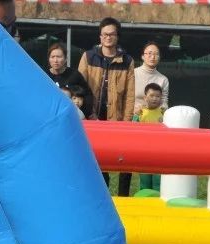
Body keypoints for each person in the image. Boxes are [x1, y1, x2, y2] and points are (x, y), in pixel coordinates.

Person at [79, 16, 135, 193]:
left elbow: (130, 95)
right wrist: (89, 114)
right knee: (96, 159)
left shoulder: (127, 61)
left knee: (124, 160)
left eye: (111, 34)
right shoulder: (88, 57)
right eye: (104, 34)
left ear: (117, 37)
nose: (108, 38)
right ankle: (100, 195)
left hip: (117, 119)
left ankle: (123, 198)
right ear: (100, 37)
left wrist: (126, 122)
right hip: (92, 117)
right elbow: (80, 88)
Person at [129, 81, 165, 193]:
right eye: (152, 96)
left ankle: (157, 201)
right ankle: (145, 200)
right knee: (145, 180)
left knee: (158, 180)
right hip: (144, 151)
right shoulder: (140, 113)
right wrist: (135, 116)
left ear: (161, 98)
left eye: (158, 96)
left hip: (159, 152)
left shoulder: (164, 113)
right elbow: (133, 129)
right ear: (145, 97)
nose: (155, 99)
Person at [44, 42, 90, 117]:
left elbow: (87, 95)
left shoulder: (74, 75)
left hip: (71, 117)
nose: (55, 60)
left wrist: (86, 113)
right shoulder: (44, 76)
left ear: (65, 59)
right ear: (49, 59)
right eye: (52, 57)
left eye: (59, 57)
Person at [133, 40, 168, 114]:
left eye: (156, 54)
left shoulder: (163, 79)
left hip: (154, 119)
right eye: (149, 53)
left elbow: (164, 103)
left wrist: (161, 111)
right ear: (142, 56)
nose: (152, 57)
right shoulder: (133, 74)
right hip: (134, 117)